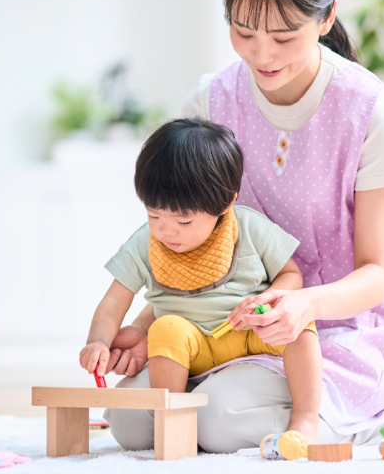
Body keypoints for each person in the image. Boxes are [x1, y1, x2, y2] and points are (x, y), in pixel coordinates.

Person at [103, 0, 384, 452]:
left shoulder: (369, 111)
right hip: (221, 322)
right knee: (132, 421)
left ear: (326, 17)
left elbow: (377, 274)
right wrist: (147, 326)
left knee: (220, 418)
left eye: (283, 37)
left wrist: (303, 306)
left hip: (339, 325)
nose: (262, 56)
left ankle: (377, 413)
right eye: (244, 33)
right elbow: (190, 240)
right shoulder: (211, 102)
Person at [80, 119, 322, 442]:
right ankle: (172, 424)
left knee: (301, 324)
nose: (166, 230)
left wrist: (267, 300)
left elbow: (291, 275)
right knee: (165, 328)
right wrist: (98, 341)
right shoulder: (145, 244)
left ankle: (306, 418)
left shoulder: (249, 227)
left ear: (225, 203)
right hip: (189, 349)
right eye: (153, 215)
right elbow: (113, 302)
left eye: (183, 221)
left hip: (249, 333)